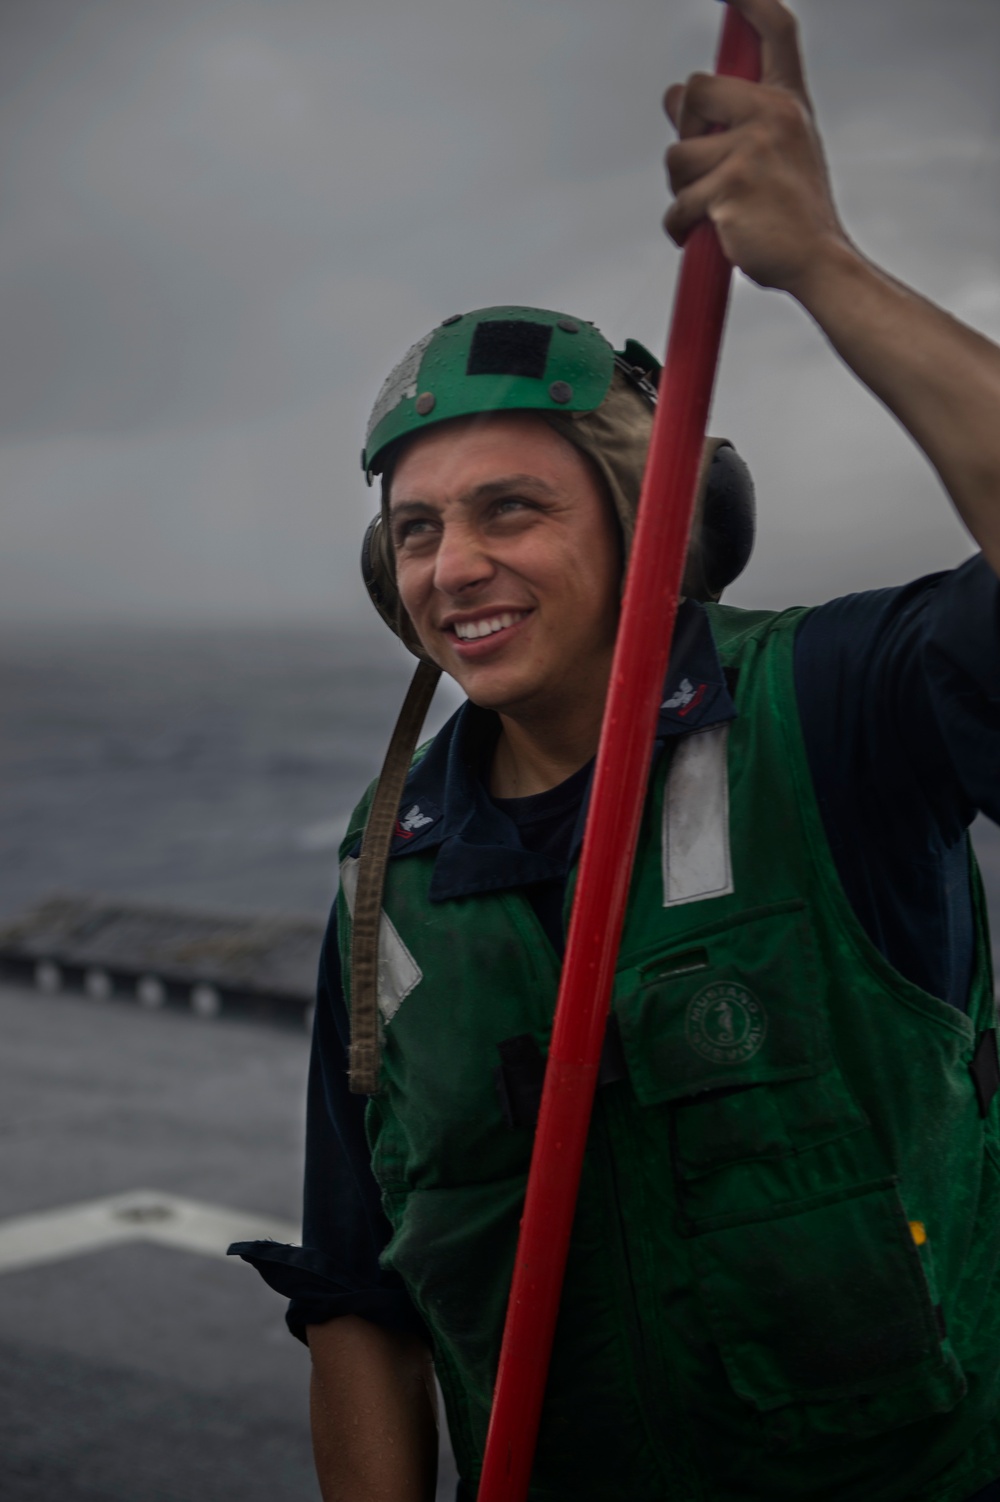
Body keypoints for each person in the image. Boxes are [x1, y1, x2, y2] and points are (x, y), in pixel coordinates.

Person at [230, 0, 1000, 1496]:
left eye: (510, 507)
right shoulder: (391, 880)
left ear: (649, 527)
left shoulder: (836, 710)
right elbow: (361, 1294)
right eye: (416, 529)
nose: (453, 564)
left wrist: (823, 268)